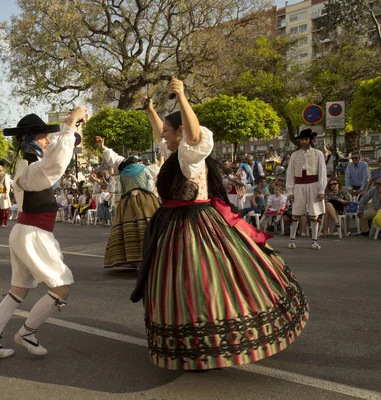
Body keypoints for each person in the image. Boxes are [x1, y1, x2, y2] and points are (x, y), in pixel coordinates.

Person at [130, 78, 307, 371]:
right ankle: (193, 343)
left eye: (167, 131)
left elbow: (195, 135)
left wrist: (183, 97)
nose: (162, 136)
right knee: (181, 284)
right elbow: (163, 134)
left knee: (201, 282)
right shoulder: (173, 153)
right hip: (173, 223)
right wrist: (150, 111)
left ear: (181, 133)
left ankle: (209, 342)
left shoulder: (190, 155)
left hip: (195, 224)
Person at [0, 107, 88, 359]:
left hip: (26, 232)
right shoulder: (29, 167)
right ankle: (27, 332)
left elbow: (58, 152)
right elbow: (56, 162)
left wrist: (75, 129)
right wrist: (70, 122)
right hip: (33, 234)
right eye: (42, 136)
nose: (48, 140)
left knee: (18, 289)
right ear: (30, 140)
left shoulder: (28, 162)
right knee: (61, 288)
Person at [95, 130, 160, 269]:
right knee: (148, 226)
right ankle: (151, 256)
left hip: (126, 203)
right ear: (139, 162)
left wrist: (103, 148)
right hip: (146, 201)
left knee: (126, 228)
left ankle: (132, 258)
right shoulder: (147, 169)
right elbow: (157, 177)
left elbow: (118, 187)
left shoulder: (123, 171)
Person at [286, 128, 327, 250]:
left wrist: (321, 190)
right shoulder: (294, 155)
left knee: (314, 213)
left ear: (310, 140)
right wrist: (290, 191)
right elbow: (290, 174)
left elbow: (322, 172)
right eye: (302, 139)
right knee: (296, 213)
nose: (304, 142)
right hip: (299, 185)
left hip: (313, 184)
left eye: (306, 139)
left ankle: (314, 240)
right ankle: (292, 240)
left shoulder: (318, 154)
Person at [0, 160, 12, 227]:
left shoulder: (5, 175)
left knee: (5, 209)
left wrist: (7, 194)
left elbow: (7, 185)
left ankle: (5, 222)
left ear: (2, 168)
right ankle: (0, 222)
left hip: (3, 193)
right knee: (0, 209)